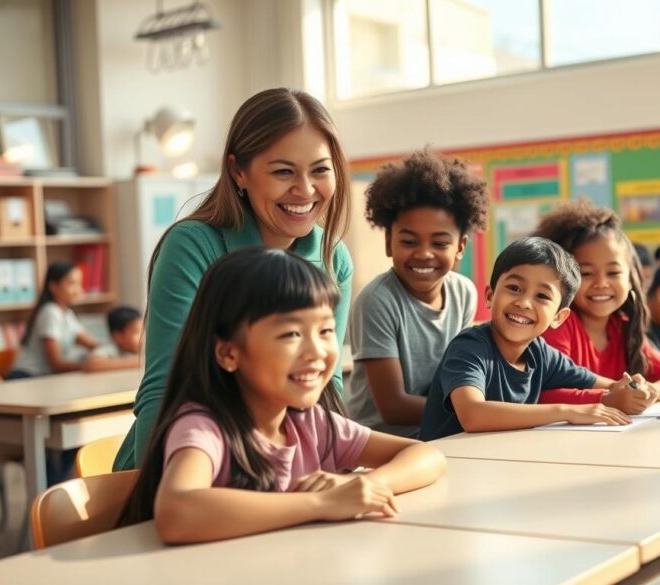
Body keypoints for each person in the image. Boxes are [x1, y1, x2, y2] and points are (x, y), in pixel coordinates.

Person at [118, 249, 445, 543]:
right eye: (291, 333)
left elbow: (426, 456)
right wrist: (320, 503)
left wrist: (364, 486)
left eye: (325, 331)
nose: (316, 350)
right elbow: (177, 512)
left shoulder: (309, 421)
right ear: (229, 353)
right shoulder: (204, 426)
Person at [115, 88, 354, 471]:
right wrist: (153, 499)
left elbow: (326, 388)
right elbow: (166, 389)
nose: (305, 190)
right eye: (283, 171)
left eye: (320, 170)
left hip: (279, 473)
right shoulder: (193, 246)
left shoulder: (333, 257)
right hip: (189, 468)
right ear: (238, 171)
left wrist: (334, 476)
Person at [420, 237, 632, 441]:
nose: (524, 303)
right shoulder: (469, 347)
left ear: (558, 317)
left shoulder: (540, 353)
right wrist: (566, 411)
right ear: (489, 296)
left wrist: (632, 388)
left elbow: (609, 385)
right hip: (451, 463)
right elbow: (473, 415)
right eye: (514, 288)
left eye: (542, 296)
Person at [345, 148, 489, 437]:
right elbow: (393, 408)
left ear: (460, 247)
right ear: (389, 242)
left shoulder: (463, 293)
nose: (424, 254)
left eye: (439, 243)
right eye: (409, 241)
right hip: (376, 440)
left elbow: (456, 374)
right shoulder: (377, 301)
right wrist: (473, 410)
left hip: (440, 431)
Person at [532, 200, 660, 411]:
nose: (601, 283)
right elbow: (541, 394)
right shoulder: (559, 325)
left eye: (614, 273)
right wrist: (608, 398)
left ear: (630, 278)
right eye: (586, 273)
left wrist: (649, 391)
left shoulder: (624, 327)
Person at [7, 261, 99, 379]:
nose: (79, 290)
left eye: (80, 284)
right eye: (72, 283)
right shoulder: (50, 312)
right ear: (53, 287)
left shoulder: (67, 314)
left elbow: (93, 344)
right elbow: (56, 364)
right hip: (26, 377)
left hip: (43, 378)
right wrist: (89, 365)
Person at [84, 305, 142, 372]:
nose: (142, 336)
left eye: (143, 331)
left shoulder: (144, 350)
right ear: (118, 336)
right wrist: (139, 362)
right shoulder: (111, 349)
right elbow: (91, 364)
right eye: (136, 332)